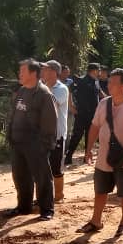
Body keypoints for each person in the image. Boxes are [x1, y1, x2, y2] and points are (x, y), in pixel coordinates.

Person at [78, 69, 123, 236]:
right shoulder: (104, 104)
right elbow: (95, 126)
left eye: (113, 83)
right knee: (100, 190)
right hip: (104, 155)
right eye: (109, 82)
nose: (109, 85)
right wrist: (88, 150)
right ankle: (96, 221)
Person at [7, 59, 58, 221]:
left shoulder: (44, 94)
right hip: (18, 143)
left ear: (33, 73)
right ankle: (23, 206)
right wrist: (10, 136)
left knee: (42, 177)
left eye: (22, 71)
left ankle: (47, 209)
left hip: (36, 144)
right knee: (20, 176)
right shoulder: (21, 92)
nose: (19, 74)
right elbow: (13, 115)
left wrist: (45, 145)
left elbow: (50, 122)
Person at [42, 60, 69, 202]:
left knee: (56, 167)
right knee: (42, 167)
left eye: (45, 69)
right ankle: (45, 196)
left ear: (53, 72)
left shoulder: (62, 88)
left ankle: (58, 196)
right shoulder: (41, 87)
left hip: (57, 135)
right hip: (42, 135)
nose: (42, 72)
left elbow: (51, 103)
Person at [65, 63, 101, 165]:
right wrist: (71, 106)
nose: (100, 72)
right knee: (77, 135)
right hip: (82, 113)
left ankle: (86, 157)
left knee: (90, 136)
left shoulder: (96, 82)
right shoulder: (81, 80)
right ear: (94, 70)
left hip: (93, 114)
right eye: (98, 70)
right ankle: (68, 156)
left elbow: (99, 93)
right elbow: (70, 91)